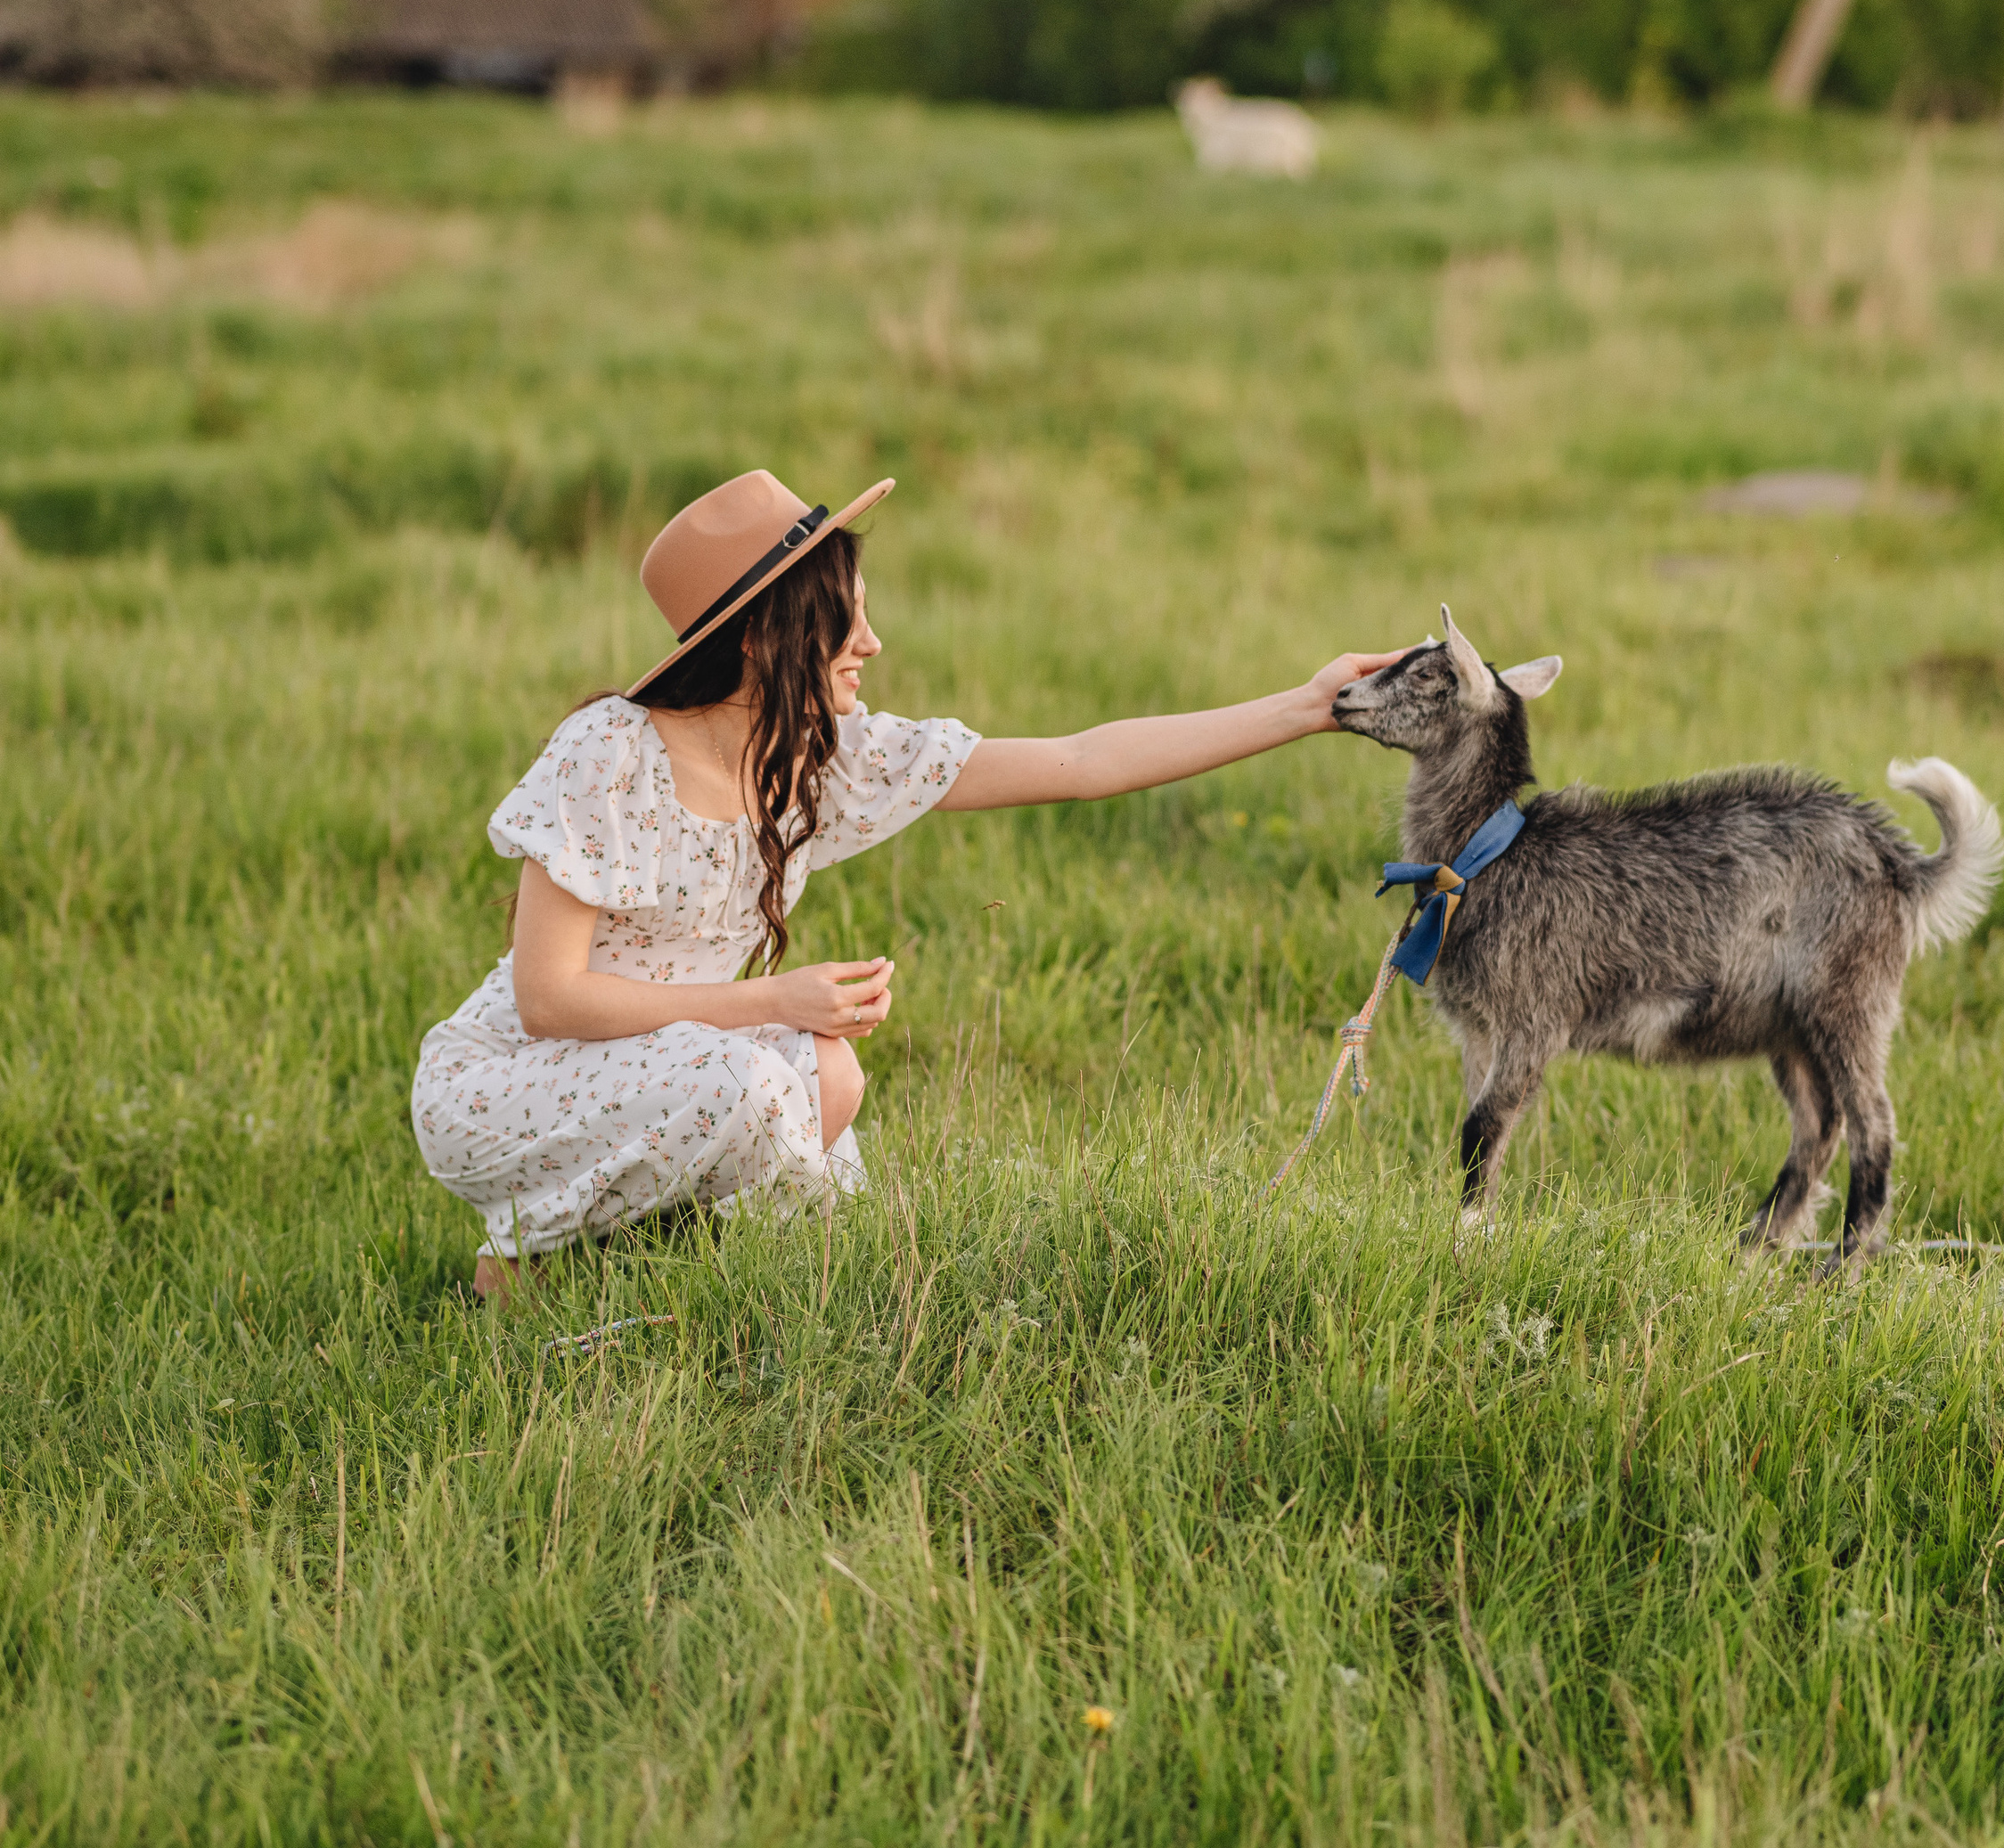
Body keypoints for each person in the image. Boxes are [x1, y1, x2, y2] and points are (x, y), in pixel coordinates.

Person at [412, 467, 1393, 1286]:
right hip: (513, 1087)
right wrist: (772, 998)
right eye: (848, 620)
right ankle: (526, 1263)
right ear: (760, 635)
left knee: (823, 1079)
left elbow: (1085, 761)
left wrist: (1308, 707)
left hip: (682, 1063)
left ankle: (613, 1267)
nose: (872, 645)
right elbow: (548, 998)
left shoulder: (817, 759)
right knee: (764, 1081)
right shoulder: (609, 753)